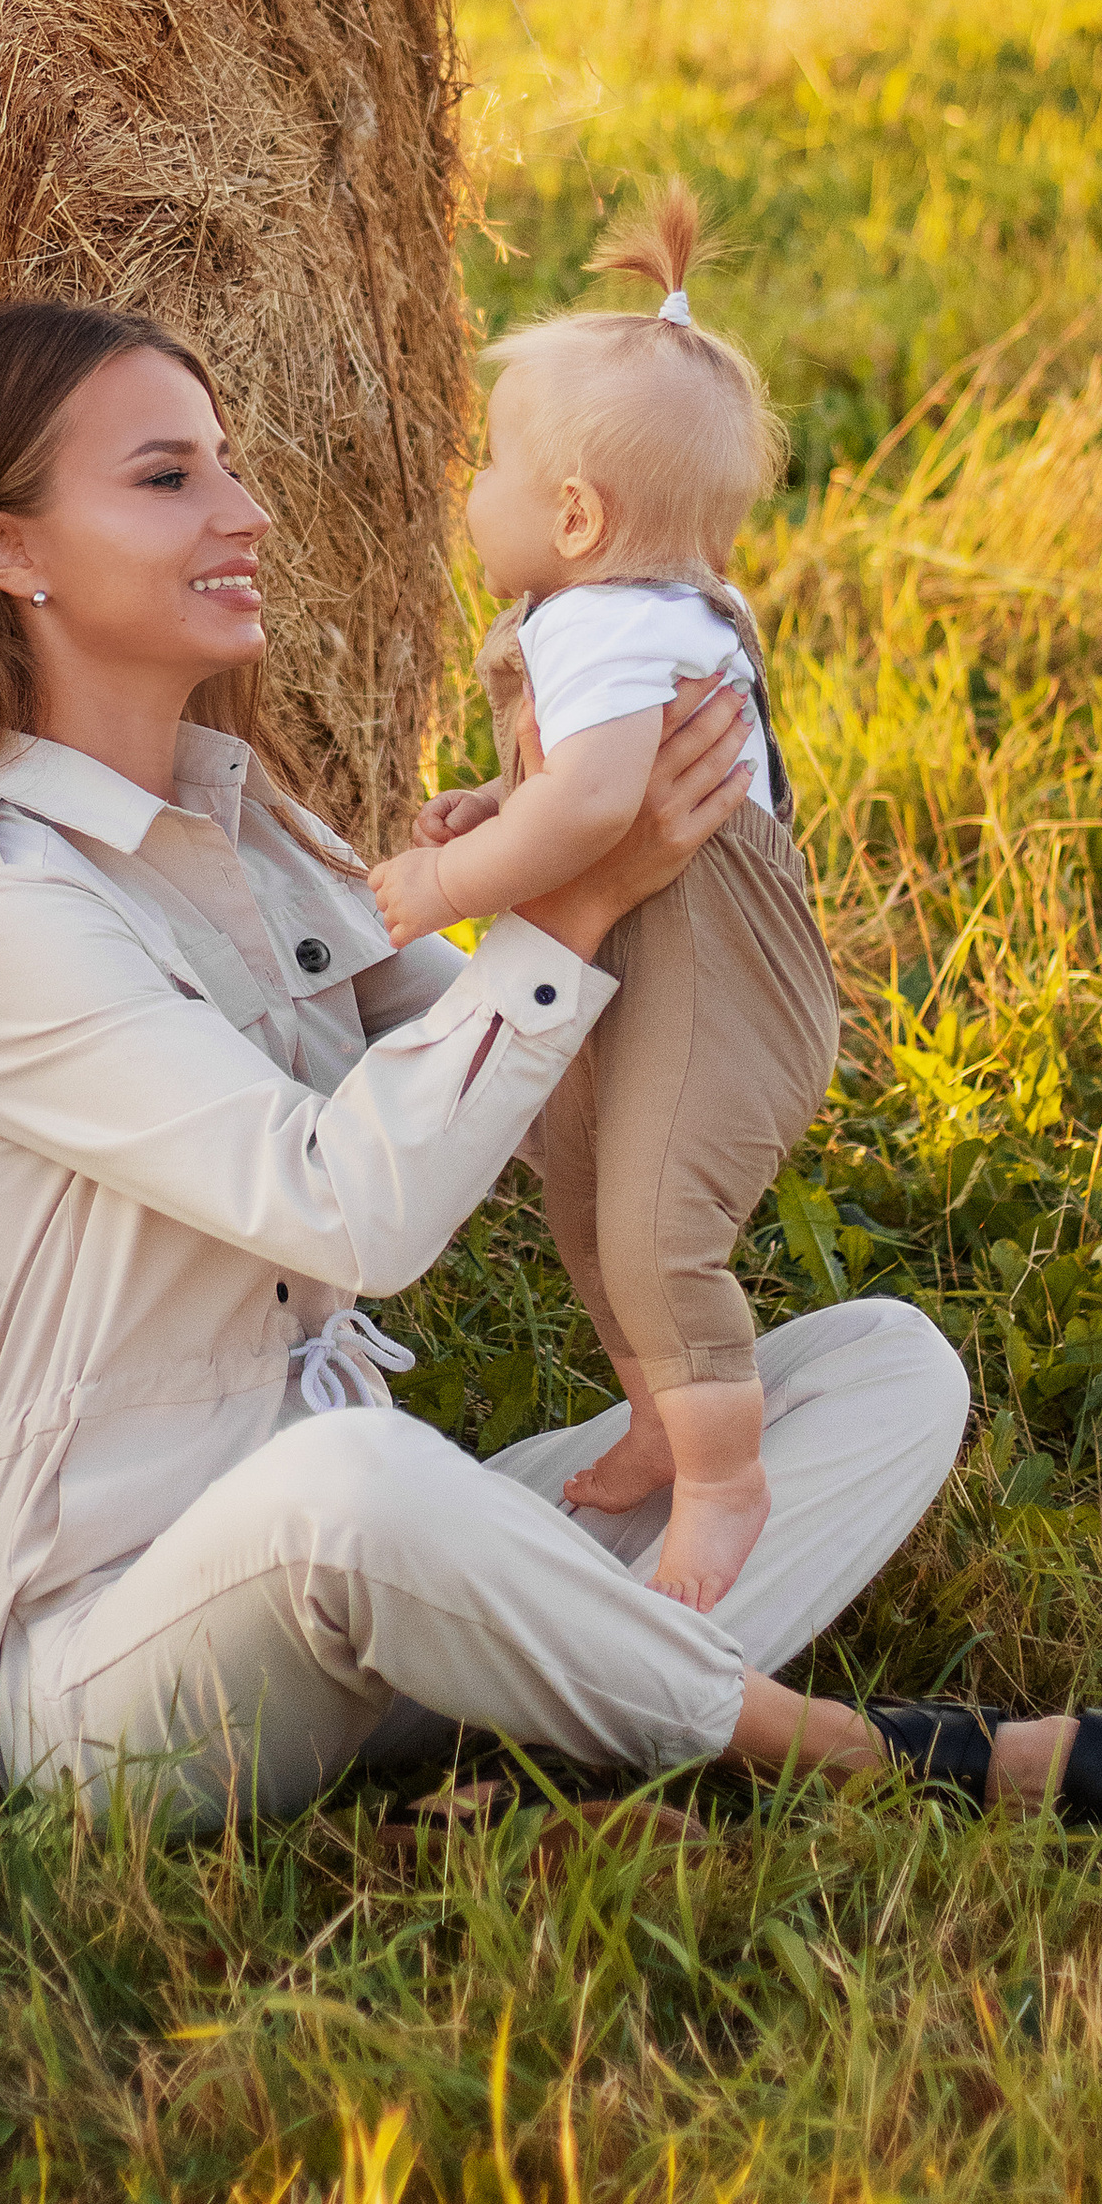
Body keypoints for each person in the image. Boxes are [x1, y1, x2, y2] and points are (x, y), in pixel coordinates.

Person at [0, 295, 1102, 1844]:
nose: (249, 510)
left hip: (396, 1570)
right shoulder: (2, 898)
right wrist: (563, 908)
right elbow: (352, 1212)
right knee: (357, 1484)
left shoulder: (252, 824)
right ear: (6, 550)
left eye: (228, 462)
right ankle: (862, 1751)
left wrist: (666, 873)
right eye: (168, 480)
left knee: (887, 1363)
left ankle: (553, 1753)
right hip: (131, 1664)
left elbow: (495, 1051)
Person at [367, 186, 836, 1614]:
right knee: (575, 1191)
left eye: (492, 467)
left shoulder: (609, 618)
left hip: (717, 983)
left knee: (648, 1225)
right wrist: (498, 805)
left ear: (574, 514)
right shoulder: (619, 616)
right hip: (643, 954)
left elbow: (593, 807)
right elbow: (588, 786)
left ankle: (724, 1477)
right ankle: (656, 1412)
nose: (474, 491)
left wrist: (444, 879)